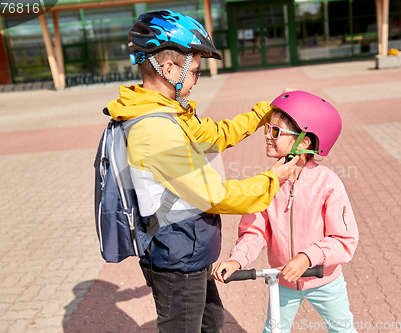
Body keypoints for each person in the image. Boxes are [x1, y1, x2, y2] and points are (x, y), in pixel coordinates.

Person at [105, 10, 299, 333]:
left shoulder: (169, 112)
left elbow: (214, 135)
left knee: (212, 321)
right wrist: (272, 181)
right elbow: (214, 195)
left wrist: (260, 114)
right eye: (194, 71)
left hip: (189, 249)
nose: (196, 79)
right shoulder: (154, 129)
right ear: (169, 69)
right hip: (175, 259)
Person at [212, 90, 359, 333]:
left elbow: (345, 240)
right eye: (267, 129)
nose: (267, 136)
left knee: (343, 330)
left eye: (276, 132)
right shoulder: (268, 183)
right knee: (274, 331)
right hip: (282, 281)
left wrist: (307, 257)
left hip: (324, 280)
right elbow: (255, 231)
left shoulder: (328, 184)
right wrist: (238, 259)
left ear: (303, 142)